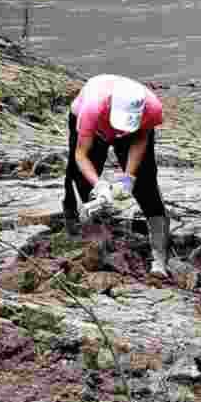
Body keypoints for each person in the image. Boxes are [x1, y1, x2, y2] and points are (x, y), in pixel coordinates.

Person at [65, 74, 170, 277]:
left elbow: (140, 139)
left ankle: (159, 257)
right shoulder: (92, 108)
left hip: (132, 132)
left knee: (146, 185)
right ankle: (83, 235)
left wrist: (128, 178)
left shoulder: (153, 109)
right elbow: (81, 154)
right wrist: (100, 185)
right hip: (95, 128)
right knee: (81, 178)